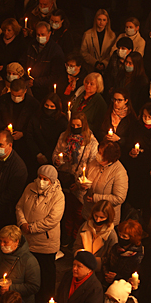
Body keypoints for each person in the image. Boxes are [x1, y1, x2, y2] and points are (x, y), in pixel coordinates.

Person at [16, 165, 65, 301]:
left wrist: (32, 227)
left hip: (45, 243)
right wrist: (22, 223)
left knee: (46, 274)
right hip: (27, 240)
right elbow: (19, 206)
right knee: (30, 272)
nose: (41, 181)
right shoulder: (29, 188)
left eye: (45, 179)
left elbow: (52, 219)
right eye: (40, 177)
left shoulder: (58, 196)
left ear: (52, 181)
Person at [52, 112, 98, 244]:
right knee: (66, 210)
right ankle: (66, 235)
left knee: (78, 212)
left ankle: (75, 237)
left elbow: (92, 164)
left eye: (78, 125)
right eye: (73, 125)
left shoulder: (91, 142)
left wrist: (79, 183)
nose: (75, 127)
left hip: (80, 182)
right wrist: (57, 160)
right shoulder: (64, 137)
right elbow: (55, 153)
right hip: (65, 178)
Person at [126, 103, 151, 222]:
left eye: (149, 117)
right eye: (144, 116)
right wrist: (131, 151)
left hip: (149, 168)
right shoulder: (135, 126)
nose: (146, 119)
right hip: (135, 167)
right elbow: (129, 142)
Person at [0, 79, 39, 168]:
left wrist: (23, 133)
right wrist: (3, 129)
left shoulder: (33, 104)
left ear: (25, 91)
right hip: (5, 139)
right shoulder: (3, 100)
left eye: (19, 95)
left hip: (24, 144)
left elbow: (35, 124)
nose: (16, 98)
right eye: (13, 95)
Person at [80, 140, 128, 225]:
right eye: (99, 151)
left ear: (108, 156)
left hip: (105, 218)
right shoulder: (94, 162)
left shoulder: (119, 172)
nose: (97, 155)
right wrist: (83, 185)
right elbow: (86, 178)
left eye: (101, 153)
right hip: (89, 212)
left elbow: (119, 198)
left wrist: (95, 198)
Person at [0, 225, 41, 303]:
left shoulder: (29, 260)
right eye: (0, 241)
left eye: (5, 242)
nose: (1, 244)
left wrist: (11, 288)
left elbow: (34, 286)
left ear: (16, 241)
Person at [21, 21, 65, 101]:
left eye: (43, 34)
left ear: (49, 34)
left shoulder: (55, 51)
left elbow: (55, 76)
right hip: (28, 82)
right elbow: (23, 61)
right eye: (38, 34)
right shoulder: (31, 45)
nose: (40, 37)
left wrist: (36, 82)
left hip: (44, 89)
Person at [25, 93, 68, 168]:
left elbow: (62, 141)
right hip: (35, 155)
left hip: (53, 156)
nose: (49, 108)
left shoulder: (62, 121)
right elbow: (29, 136)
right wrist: (38, 154)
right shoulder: (36, 117)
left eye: (52, 106)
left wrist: (48, 156)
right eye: (47, 105)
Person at [73, 200, 118, 270]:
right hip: (81, 266)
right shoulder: (85, 226)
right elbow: (76, 246)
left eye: (102, 217)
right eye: (96, 216)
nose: (97, 220)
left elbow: (111, 258)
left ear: (108, 218)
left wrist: (92, 261)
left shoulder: (111, 235)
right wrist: (80, 255)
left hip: (98, 270)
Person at [103, 219, 145, 285]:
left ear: (132, 238)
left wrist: (117, 278)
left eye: (124, 236)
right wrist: (107, 274)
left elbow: (135, 277)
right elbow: (106, 262)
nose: (120, 237)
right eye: (119, 234)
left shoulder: (138, 256)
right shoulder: (115, 248)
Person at [70, 72, 108, 137]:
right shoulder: (79, 94)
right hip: (71, 127)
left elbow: (98, 125)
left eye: (92, 84)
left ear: (98, 86)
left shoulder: (100, 102)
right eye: (87, 83)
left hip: (86, 133)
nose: (88, 85)